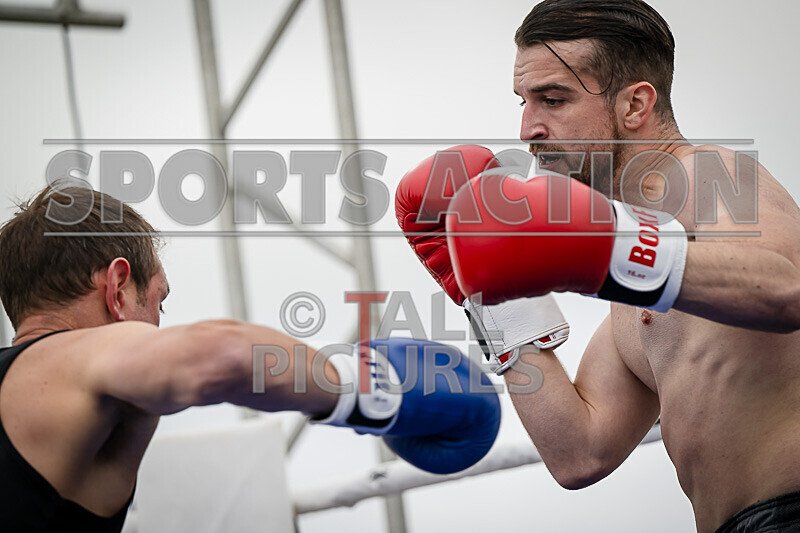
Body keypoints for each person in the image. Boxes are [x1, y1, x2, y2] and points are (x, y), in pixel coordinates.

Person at [395, 1, 800, 532]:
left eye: (553, 100)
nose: (528, 129)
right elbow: (579, 452)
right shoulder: (634, 291)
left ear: (635, 104)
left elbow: (787, 287)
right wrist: (493, 301)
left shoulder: (712, 175)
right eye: (524, 102)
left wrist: (603, 248)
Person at [0, 184, 501, 532]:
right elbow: (222, 355)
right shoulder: (70, 361)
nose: (158, 326)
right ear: (116, 288)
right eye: (158, 302)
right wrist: (364, 386)